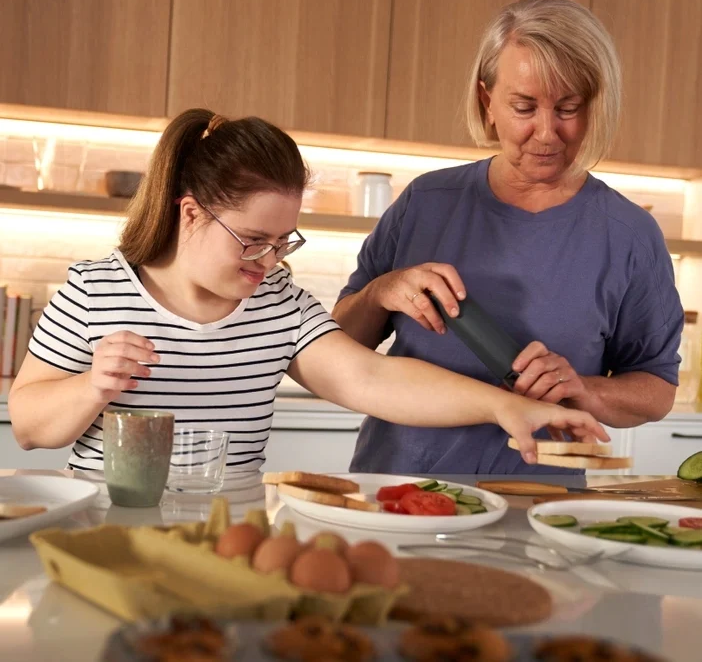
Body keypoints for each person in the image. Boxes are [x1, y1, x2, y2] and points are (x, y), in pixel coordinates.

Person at [8, 108, 607, 473]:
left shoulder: (278, 306)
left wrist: (510, 406)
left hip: (227, 542)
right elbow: (30, 427)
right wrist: (93, 386)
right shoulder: (97, 289)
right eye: (251, 240)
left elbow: (370, 379)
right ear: (190, 214)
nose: (268, 262)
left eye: (282, 242)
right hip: (108, 537)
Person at [333, 0, 683, 475]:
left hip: (540, 507)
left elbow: (657, 390)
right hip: (397, 490)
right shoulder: (426, 202)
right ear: (487, 100)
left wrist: (585, 388)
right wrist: (378, 294)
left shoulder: (629, 236)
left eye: (568, 108)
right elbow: (337, 346)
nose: (546, 133)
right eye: (524, 106)